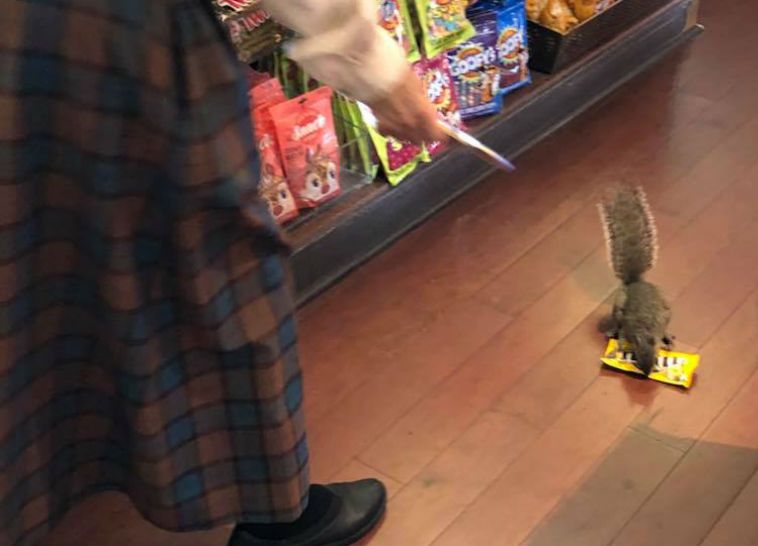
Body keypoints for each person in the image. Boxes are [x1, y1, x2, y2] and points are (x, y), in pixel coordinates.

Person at [0, 1, 445, 546]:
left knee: (26, 272)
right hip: (114, 33)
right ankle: (276, 514)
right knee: (212, 265)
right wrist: (374, 65)